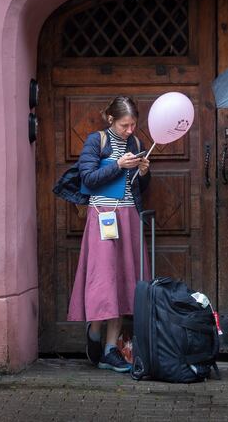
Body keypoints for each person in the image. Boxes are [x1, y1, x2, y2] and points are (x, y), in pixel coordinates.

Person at [67, 96, 152, 373]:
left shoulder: (137, 144)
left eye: (134, 124)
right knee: (104, 279)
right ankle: (94, 330)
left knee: (124, 281)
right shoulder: (97, 141)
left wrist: (142, 172)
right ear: (111, 120)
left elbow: (139, 187)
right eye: (125, 125)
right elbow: (87, 179)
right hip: (103, 215)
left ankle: (110, 349)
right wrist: (118, 166)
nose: (130, 130)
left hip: (128, 216)